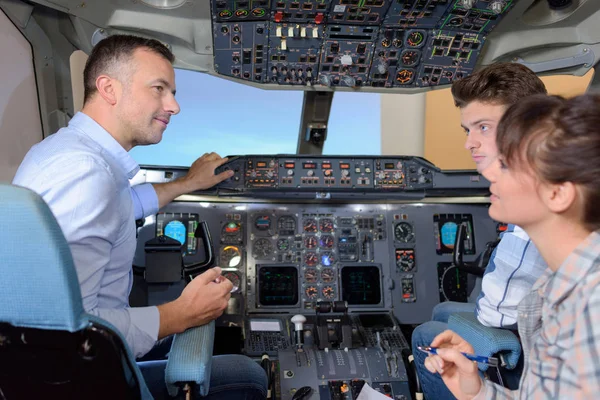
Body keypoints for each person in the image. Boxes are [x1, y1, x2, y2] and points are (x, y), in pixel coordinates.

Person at [12, 35, 266, 399]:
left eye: (173, 91)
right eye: (159, 89)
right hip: (83, 378)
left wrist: (187, 183)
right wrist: (181, 313)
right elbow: (74, 332)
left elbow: (122, 206)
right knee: (248, 374)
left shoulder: (63, 152)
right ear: (109, 88)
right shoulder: (84, 172)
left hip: (51, 369)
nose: (174, 105)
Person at [423, 93, 600, 399]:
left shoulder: (590, 309)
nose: (489, 173)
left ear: (557, 194)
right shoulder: (552, 288)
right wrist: (476, 390)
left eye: (505, 165)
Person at [411, 63, 548, 399]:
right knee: (445, 310)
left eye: (483, 127)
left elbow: (496, 310)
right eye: (467, 131)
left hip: (525, 337)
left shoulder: (534, 206)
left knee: (427, 334)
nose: (470, 144)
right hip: (529, 325)